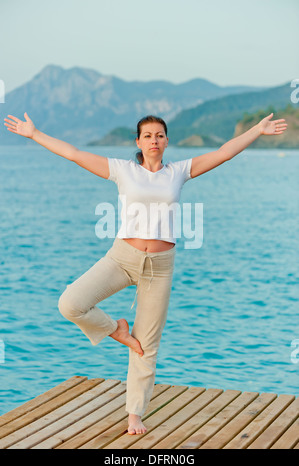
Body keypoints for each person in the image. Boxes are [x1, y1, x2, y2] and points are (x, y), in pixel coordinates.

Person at [4, 111, 287, 435]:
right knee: (71, 303)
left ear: (167, 141)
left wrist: (256, 130)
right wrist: (35, 134)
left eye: (160, 135)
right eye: (148, 135)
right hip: (122, 257)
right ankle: (117, 330)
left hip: (160, 267)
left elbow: (224, 152)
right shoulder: (123, 170)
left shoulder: (178, 172)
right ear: (138, 141)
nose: (154, 140)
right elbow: (75, 153)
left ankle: (134, 413)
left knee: (147, 344)